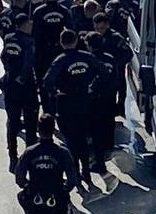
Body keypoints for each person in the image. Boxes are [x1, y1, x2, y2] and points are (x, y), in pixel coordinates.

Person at [42, 29, 105, 177]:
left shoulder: (60, 60)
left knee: (70, 139)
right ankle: (86, 170)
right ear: (76, 41)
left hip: (66, 103)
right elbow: (103, 72)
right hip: (84, 101)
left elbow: (47, 80)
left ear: (61, 43)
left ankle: (75, 171)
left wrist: (55, 92)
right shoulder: (87, 56)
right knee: (83, 138)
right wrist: (92, 87)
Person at [1, 12, 40, 169]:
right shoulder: (28, 41)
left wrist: (9, 70)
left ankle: (13, 157)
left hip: (10, 84)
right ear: (24, 25)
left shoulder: (8, 38)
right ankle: (30, 158)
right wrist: (23, 78)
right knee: (30, 123)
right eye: (29, 23)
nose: (31, 26)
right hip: (26, 87)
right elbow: (29, 62)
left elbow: (3, 56)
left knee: (13, 122)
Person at [90, 12, 132, 153]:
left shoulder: (115, 38)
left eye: (102, 28)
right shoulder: (93, 38)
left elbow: (128, 53)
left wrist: (115, 65)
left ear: (107, 25)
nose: (99, 31)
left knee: (109, 109)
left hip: (114, 78)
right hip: (98, 80)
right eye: (97, 28)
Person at [84, 30, 119, 171]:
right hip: (109, 98)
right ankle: (108, 150)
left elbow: (88, 80)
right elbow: (115, 78)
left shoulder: (90, 60)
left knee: (95, 131)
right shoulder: (110, 58)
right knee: (108, 125)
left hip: (95, 101)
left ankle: (99, 162)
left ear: (89, 45)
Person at [33, 0, 73, 81]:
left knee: (44, 76)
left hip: (43, 49)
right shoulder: (64, 10)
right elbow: (70, 30)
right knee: (60, 76)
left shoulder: (38, 11)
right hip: (59, 48)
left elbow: (35, 33)